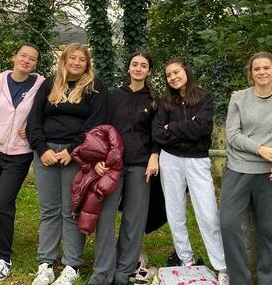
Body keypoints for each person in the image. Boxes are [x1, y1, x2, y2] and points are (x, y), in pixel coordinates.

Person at [26, 43, 112, 285]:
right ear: (64, 60)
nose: (76, 62)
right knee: (49, 209)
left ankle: (71, 265)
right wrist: (42, 149)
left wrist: (73, 150)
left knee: (71, 210)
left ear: (87, 64)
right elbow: (34, 120)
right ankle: (45, 264)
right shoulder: (49, 84)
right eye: (72, 58)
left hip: (76, 156)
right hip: (46, 155)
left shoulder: (95, 88)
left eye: (81, 59)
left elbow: (96, 125)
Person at [0, 43, 45, 282]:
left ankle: (4, 259)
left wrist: (33, 129)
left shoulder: (41, 86)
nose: (26, 60)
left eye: (32, 58)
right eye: (23, 55)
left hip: (19, 155)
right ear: (14, 56)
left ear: (36, 63)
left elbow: (48, 113)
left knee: (2, 204)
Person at [220, 52, 272, 285]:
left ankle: (267, 280)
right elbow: (233, 135)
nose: (262, 72)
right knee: (228, 224)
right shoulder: (239, 98)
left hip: (271, 174)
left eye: (266, 68)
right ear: (251, 73)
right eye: (257, 69)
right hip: (238, 170)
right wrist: (260, 149)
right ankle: (239, 279)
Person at [152, 58, 228, 285]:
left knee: (208, 213)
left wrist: (172, 127)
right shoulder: (165, 101)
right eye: (168, 75)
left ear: (186, 71)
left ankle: (222, 266)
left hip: (197, 159)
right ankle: (186, 260)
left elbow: (202, 128)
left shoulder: (204, 97)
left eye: (176, 72)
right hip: (170, 160)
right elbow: (158, 133)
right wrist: (184, 128)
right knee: (175, 212)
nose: (173, 77)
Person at [108, 51, 160, 285]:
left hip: (140, 165)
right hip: (113, 164)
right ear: (128, 68)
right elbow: (103, 128)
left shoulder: (154, 100)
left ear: (149, 71)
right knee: (106, 216)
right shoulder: (113, 96)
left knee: (134, 217)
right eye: (135, 64)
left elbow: (158, 132)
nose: (138, 68)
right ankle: (107, 264)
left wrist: (154, 155)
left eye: (143, 65)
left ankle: (124, 270)